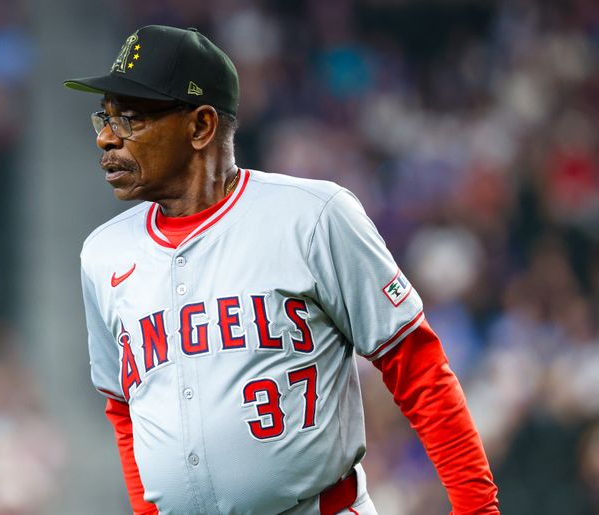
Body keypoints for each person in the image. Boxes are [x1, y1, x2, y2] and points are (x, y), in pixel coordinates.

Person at [66, 25, 500, 514]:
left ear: (201, 127)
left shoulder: (312, 215)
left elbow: (417, 366)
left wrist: (478, 510)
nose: (106, 137)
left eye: (130, 119)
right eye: (105, 116)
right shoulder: (103, 254)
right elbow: (126, 412)